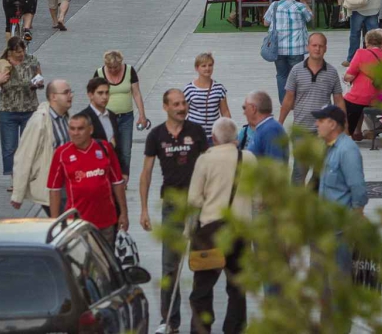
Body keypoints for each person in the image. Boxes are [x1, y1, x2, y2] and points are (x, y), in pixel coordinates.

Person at [140, 89, 208, 332]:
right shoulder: (156, 135)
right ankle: (169, 321)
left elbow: (207, 166)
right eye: (177, 104)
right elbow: (146, 173)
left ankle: (201, 323)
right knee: (170, 266)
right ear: (165, 107)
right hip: (171, 207)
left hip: (197, 206)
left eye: (184, 103)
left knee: (202, 264)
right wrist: (144, 209)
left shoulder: (197, 132)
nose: (182, 107)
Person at [186, 117, 254, 334]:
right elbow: (259, 199)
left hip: (210, 232)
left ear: (214, 138)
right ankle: (234, 329)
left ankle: (201, 329)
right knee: (237, 287)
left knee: (202, 288)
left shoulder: (206, 159)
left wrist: (189, 232)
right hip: (241, 231)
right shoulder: (249, 159)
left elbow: (194, 200)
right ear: (236, 138)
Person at [48, 112, 127, 244]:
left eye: (80, 129)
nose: (75, 133)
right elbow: (54, 190)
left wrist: (124, 213)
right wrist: (55, 223)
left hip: (106, 221)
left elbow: (117, 182)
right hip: (76, 224)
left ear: (90, 130)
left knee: (105, 262)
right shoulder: (61, 154)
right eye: (72, 129)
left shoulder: (104, 148)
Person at [281, 33, 345, 186]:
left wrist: (344, 127)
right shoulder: (296, 70)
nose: (317, 49)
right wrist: (279, 122)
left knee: (319, 172)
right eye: (314, 45)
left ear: (325, 49)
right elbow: (289, 98)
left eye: (321, 46)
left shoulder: (331, 72)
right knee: (299, 171)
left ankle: (311, 201)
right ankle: (296, 206)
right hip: (301, 130)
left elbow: (338, 100)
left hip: (323, 131)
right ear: (307, 47)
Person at [10, 80, 73, 212]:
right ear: (53, 96)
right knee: (63, 226)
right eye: (66, 92)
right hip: (50, 186)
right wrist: (17, 194)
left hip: (68, 185)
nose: (70, 95)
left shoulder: (65, 118)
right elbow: (24, 156)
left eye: (70, 92)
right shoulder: (39, 121)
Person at [0, 38, 42, 178]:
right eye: (18, 52)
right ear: (11, 51)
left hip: (29, 109)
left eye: (23, 50)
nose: (22, 54)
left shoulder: (32, 60)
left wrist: (38, 82)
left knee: (29, 145)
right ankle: (15, 178)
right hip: (8, 110)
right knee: (9, 147)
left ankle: (26, 175)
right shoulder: (3, 64)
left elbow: (39, 76)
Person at [95, 50, 148, 178]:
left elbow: (136, 93)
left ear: (121, 64)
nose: (113, 70)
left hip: (126, 117)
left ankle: (124, 178)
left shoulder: (129, 71)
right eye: (110, 67)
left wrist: (142, 115)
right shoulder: (100, 73)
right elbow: (94, 94)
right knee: (108, 148)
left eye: (116, 67)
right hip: (107, 118)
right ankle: (109, 176)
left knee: (125, 150)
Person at [265, 0, 313, 103]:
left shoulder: (274, 5)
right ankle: (296, 100)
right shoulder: (300, 6)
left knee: (281, 75)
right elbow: (310, 17)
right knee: (296, 75)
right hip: (296, 48)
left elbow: (266, 22)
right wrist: (303, 1)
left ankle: (284, 102)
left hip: (278, 47)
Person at [342, 29, 382, 142]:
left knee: (344, 103)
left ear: (366, 42)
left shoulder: (361, 53)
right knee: (360, 101)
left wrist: (346, 77)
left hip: (360, 98)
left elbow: (349, 76)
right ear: (380, 42)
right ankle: (358, 132)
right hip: (379, 99)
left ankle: (347, 132)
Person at [183, 52, 232, 132]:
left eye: (210, 65)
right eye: (203, 66)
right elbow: (182, 112)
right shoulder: (189, 89)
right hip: (194, 134)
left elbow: (225, 111)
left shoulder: (219, 88)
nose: (207, 68)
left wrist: (229, 130)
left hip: (214, 134)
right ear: (197, 68)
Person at [240, 91, 288, 161]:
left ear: (253, 108)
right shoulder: (264, 128)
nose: (244, 113)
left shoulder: (270, 130)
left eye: (245, 108)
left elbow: (274, 164)